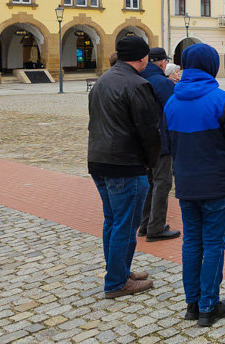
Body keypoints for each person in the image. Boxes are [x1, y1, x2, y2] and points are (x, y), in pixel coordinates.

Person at [165, 43, 225, 326]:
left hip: (187, 182)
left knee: (191, 242)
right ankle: (208, 304)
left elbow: (167, 144)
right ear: (212, 66)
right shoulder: (222, 100)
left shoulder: (171, 101)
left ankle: (192, 302)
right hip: (216, 182)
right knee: (213, 244)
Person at [87, 36, 160, 299]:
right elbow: (148, 130)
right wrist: (151, 162)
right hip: (125, 163)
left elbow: (94, 119)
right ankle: (117, 282)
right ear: (142, 58)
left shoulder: (103, 80)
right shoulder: (138, 84)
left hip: (99, 160)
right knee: (125, 225)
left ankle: (119, 271)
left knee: (113, 221)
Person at [138, 47, 180, 242]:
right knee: (162, 184)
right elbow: (174, 111)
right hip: (160, 141)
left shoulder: (137, 80)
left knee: (149, 184)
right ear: (163, 63)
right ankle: (156, 227)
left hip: (141, 142)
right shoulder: (162, 83)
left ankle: (145, 224)